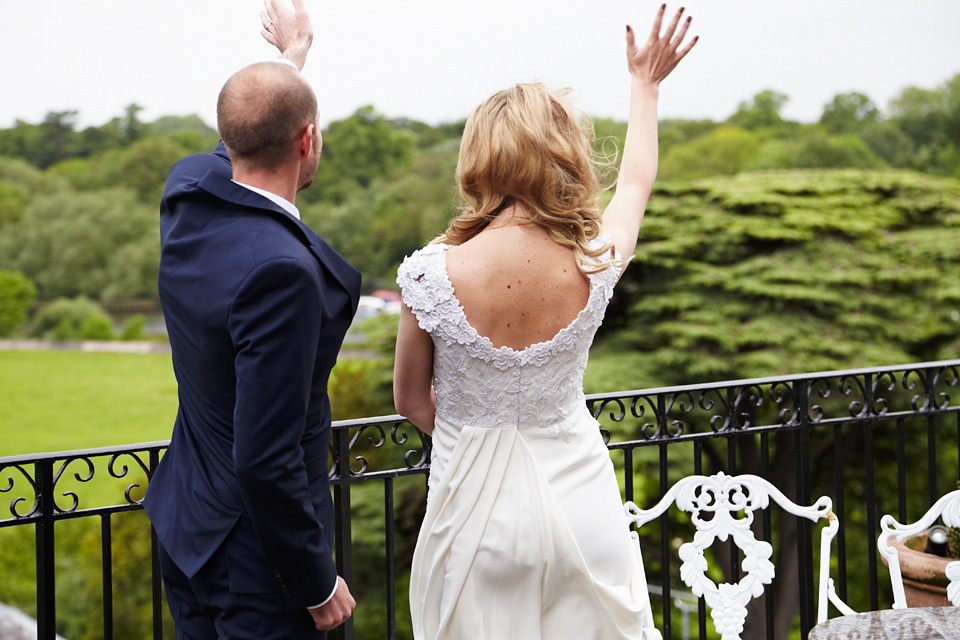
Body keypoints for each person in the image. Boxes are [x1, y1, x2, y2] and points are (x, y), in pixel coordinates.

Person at [393, 5, 696, 639]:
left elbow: (410, 400)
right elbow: (636, 181)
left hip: (473, 519)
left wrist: (473, 429)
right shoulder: (595, 260)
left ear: (479, 157)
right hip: (583, 506)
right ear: (562, 156)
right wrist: (646, 86)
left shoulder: (430, 274)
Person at [143, 1, 359, 637]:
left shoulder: (184, 195)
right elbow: (263, 456)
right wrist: (314, 580)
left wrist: (288, 65)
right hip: (258, 567)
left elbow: (233, 143)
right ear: (308, 140)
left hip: (187, 529)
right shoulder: (282, 273)